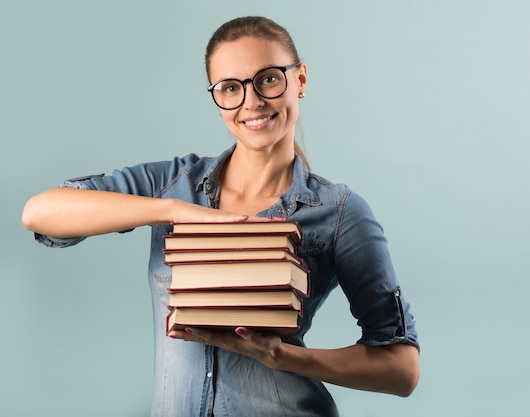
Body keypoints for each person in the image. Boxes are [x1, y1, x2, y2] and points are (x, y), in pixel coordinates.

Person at [22, 15, 420, 417]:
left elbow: (402, 369)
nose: (252, 102)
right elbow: (39, 212)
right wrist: (172, 210)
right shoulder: (172, 184)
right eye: (231, 88)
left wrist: (283, 357)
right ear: (217, 100)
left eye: (268, 79)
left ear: (299, 80)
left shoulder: (339, 212)